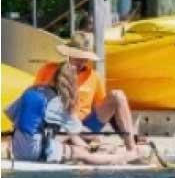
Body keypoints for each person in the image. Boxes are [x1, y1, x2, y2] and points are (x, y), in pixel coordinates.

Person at [6, 62, 142, 164]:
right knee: (82, 154)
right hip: (37, 151)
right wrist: (88, 148)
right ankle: (123, 158)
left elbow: (10, 114)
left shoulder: (32, 90)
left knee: (59, 138)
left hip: (17, 149)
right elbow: (75, 133)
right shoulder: (58, 101)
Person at [32, 34, 138, 151]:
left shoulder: (94, 76)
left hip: (85, 126)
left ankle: (132, 147)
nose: (81, 62)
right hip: (59, 123)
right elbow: (35, 99)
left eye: (85, 59)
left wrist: (123, 132)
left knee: (118, 95)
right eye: (78, 57)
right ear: (69, 54)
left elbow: (107, 112)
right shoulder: (49, 70)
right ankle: (71, 141)